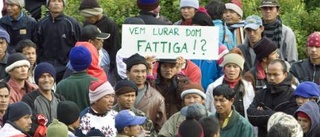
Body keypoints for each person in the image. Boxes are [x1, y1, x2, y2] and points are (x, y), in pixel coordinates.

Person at [247, 59, 298, 137]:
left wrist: (263, 113)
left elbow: (288, 122)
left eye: (275, 74)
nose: (271, 78)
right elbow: (250, 114)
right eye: (269, 74)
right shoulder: (261, 93)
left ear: (285, 74)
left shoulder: (293, 95)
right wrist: (275, 114)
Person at [37, 0, 81, 82]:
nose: (56, 3)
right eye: (53, 1)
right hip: (46, 68)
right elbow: (38, 46)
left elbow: (79, 45)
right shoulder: (42, 24)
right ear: (48, 4)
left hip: (67, 68)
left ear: (63, 5)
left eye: (60, 1)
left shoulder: (72, 23)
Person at [79, 0, 121, 84]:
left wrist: (113, 67)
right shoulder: (87, 23)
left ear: (95, 14)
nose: (87, 19)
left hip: (106, 63)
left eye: (89, 17)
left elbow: (115, 46)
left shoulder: (110, 24)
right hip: (89, 61)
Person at [125, 53, 166, 131]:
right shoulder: (116, 93)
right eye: (136, 71)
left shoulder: (157, 98)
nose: (140, 75)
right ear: (127, 73)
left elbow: (161, 129)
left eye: (143, 71)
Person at [22, 62, 65, 136]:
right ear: (37, 80)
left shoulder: (60, 99)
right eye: (42, 76)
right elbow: (29, 124)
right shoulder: (29, 99)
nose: (46, 80)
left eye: (49, 76)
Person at [206, 53, 255, 118]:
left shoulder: (248, 87)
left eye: (235, 66)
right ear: (224, 69)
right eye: (228, 66)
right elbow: (207, 109)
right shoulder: (212, 87)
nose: (231, 70)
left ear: (240, 69)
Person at [191, 10, 229, 90]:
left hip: (212, 94)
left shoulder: (220, 49)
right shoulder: (188, 46)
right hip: (190, 94)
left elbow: (224, 74)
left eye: (201, 29)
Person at [56, 46, 96, 110]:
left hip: (68, 120)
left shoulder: (61, 86)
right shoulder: (97, 83)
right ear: (89, 62)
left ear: (71, 62)